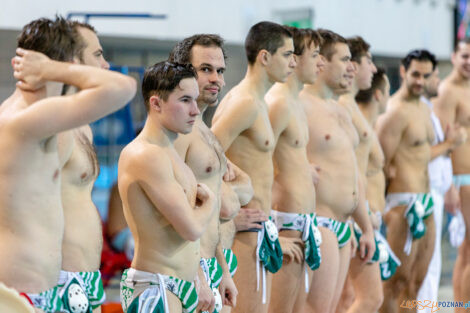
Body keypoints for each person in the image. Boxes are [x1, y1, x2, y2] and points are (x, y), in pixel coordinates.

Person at [0, 16, 136, 313]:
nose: (104, 66)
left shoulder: (41, 121)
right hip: (24, 294)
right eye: (96, 56)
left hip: (46, 291)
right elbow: (123, 88)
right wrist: (54, 70)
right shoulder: (24, 120)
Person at [211, 21, 296, 313]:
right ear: (264, 56)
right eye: (287, 54)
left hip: (259, 229)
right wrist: (228, 219)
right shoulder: (244, 102)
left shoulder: (257, 102)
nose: (292, 62)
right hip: (244, 233)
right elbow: (204, 159)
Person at [118, 61, 216, 313]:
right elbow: (191, 229)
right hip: (155, 287)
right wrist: (211, 202)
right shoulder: (145, 154)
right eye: (185, 100)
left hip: (181, 285)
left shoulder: (170, 153)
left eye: (195, 100)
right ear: (156, 103)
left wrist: (200, 278)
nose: (195, 110)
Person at [169, 34, 254, 312]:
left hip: (210, 265)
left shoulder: (204, 132)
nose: (217, 79)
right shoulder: (178, 133)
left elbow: (222, 206)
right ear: (182, 72)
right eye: (206, 69)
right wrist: (196, 275)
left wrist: (223, 271)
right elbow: (173, 214)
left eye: (220, 71)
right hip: (187, 271)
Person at [300, 29, 375, 313]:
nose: (352, 67)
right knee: (315, 309)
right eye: (344, 60)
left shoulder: (340, 110)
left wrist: (365, 226)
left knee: (333, 308)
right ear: (322, 61)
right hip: (320, 222)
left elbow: (353, 172)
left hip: (345, 225)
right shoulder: (300, 105)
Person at [264, 26, 324, 313]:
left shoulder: (294, 102)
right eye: (315, 55)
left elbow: (282, 157)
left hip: (302, 224)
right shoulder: (277, 103)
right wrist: (270, 227)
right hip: (284, 224)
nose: (320, 63)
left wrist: (303, 170)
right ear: (295, 59)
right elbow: (257, 161)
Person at [376, 50, 436, 312]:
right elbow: (378, 165)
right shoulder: (393, 112)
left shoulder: (424, 108)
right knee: (394, 283)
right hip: (402, 207)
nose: (420, 81)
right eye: (415, 74)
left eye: (426, 75)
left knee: (415, 283)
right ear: (402, 71)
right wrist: (382, 211)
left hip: (427, 203)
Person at [59, 21, 111, 313]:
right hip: (57, 280)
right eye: (98, 55)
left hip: (86, 278)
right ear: (73, 60)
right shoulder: (53, 127)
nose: (105, 65)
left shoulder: (83, 125)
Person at [336, 36, 383, 313]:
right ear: (352, 65)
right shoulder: (342, 106)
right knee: (368, 297)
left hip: (361, 213)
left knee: (348, 298)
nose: (373, 69)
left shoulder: (351, 105)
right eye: (369, 62)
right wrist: (360, 221)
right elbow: (346, 171)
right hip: (352, 215)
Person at [433, 38, 470, 311]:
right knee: (467, 251)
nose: (468, 62)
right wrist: (450, 187)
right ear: (454, 57)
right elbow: (442, 142)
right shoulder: (447, 91)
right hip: (460, 179)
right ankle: (461, 307)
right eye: (465, 56)